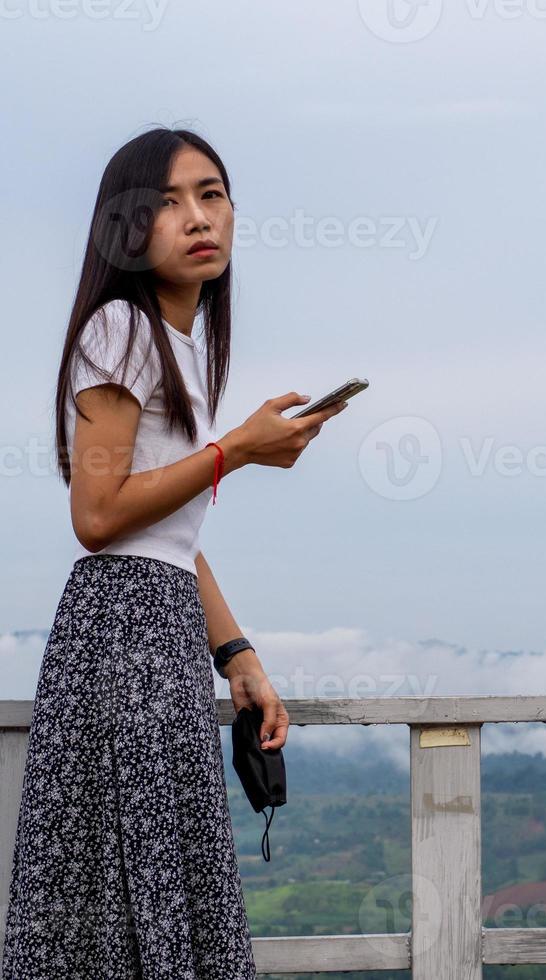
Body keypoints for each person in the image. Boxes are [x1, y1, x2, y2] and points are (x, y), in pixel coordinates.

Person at [1, 127, 347, 978]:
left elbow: (173, 541)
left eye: (211, 194)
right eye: (164, 202)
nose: (197, 217)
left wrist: (236, 653)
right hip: (120, 634)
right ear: (126, 229)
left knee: (154, 879)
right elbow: (98, 515)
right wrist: (236, 450)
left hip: (157, 628)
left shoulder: (186, 345)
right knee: (126, 887)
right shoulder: (120, 326)